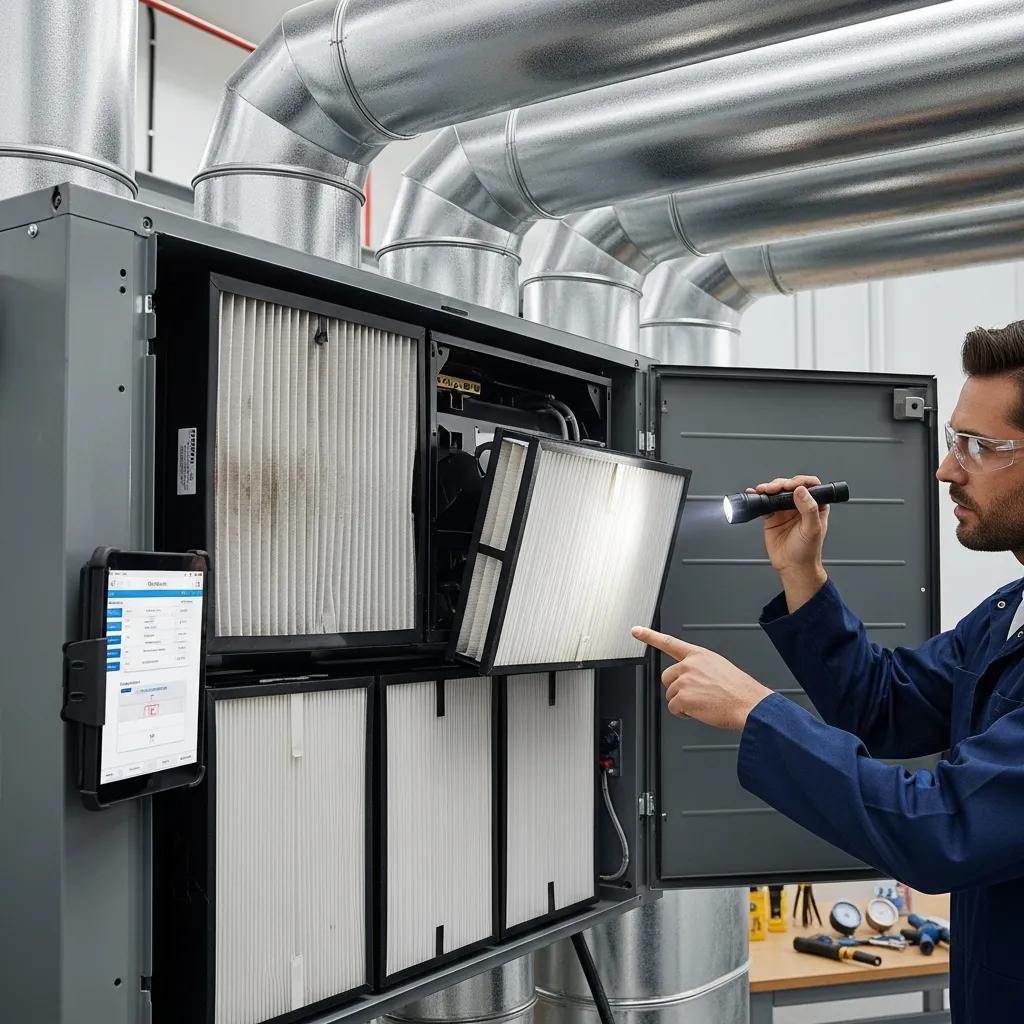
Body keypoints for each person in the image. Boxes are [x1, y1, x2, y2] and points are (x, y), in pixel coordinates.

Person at [632, 320, 1024, 1024]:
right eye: (951, 441)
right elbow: (886, 705)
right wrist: (803, 573)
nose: (946, 469)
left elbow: (942, 830)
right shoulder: (1009, 613)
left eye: (979, 447)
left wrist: (757, 713)